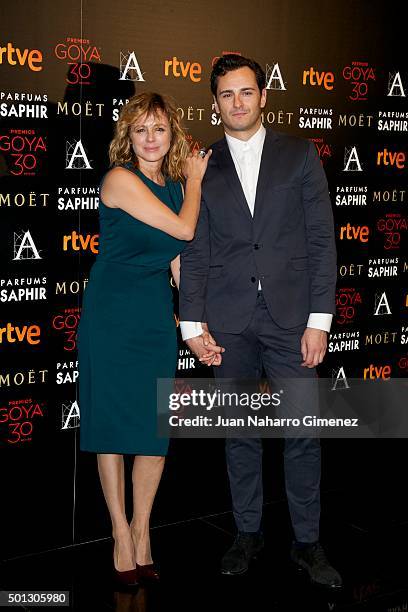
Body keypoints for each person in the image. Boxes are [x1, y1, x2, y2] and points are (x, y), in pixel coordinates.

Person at [179, 55, 342, 588]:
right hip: (229, 322)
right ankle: (247, 533)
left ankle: (307, 543)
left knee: (302, 435)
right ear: (215, 103)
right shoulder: (202, 165)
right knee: (239, 434)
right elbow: (196, 249)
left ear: (263, 96)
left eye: (246, 92)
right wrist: (191, 324)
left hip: (293, 320)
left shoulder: (300, 154)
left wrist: (320, 319)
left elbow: (321, 240)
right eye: (227, 95)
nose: (238, 102)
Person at [77, 92, 213, 587]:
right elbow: (184, 228)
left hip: (154, 319)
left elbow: (177, 261)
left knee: (153, 435)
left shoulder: (176, 186)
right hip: (112, 317)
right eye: (141, 130)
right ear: (127, 137)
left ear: (172, 133)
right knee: (113, 428)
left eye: (159, 128)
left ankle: (143, 530)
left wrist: (195, 328)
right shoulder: (119, 180)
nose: (151, 138)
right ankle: (118, 532)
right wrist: (197, 180)